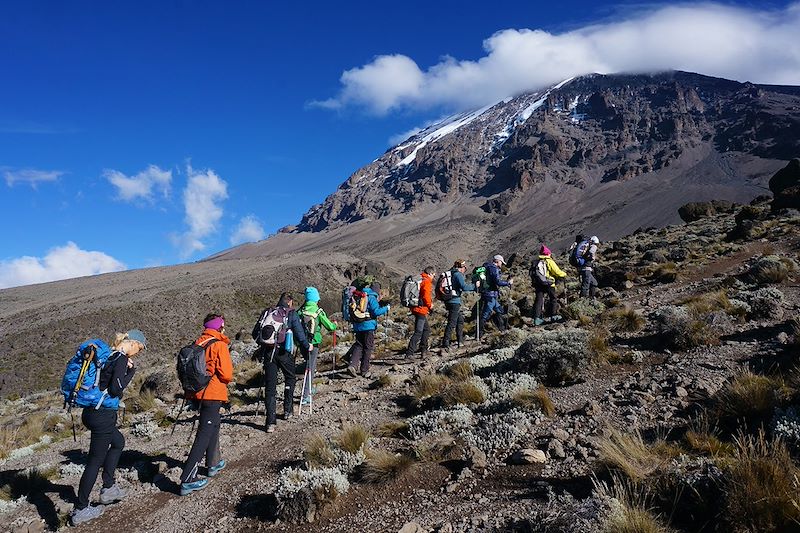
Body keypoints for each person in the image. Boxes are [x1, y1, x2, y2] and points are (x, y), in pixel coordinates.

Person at [70, 329, 146, 526]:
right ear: (134, 343)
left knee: (118, 442)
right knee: (95, 461)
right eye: (140, 348)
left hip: (92, 412)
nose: (138, 352)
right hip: (102, 414)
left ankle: (109, 487)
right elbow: (116, 388)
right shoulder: (120, 358)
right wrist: (131, 371)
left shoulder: (110, 355)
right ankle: (81, 508)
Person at [180, 314, 233, 496]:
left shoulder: (198, 342)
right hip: (212, 393)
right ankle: (188, 478)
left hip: (196, 393)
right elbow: (226, 375)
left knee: (214, 423)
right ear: (220, 327)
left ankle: (213, 463)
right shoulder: (219, 344)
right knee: (204, 433)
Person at [259, 293, 309, 433]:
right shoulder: (291, 314)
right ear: (290, 302)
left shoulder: (268, 312)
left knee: (270, 387)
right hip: (284, 352)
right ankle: (288, 410)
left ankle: (270, 422)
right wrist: (307, 346)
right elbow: (299, 334)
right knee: (290, 378)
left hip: (268, 353)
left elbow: (255, 333)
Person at [300, 286, 337, 406]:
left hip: (302, 343)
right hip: (314, 342)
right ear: (316, 298)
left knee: (307, 365)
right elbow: (330, 327)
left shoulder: (300, 311)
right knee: (310, 368)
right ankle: (306, 396)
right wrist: (335, 325)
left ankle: (308, 390)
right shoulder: (318, 311)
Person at [348, 281, 389, 378]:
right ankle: (364, 370)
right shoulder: (372, 297)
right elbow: (376, 312)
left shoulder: (360, 295)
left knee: (358, 345)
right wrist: (386, 308)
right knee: (368, 347)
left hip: (358, 325)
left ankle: (352, 365)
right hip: (368, 326)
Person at [441, 259, 476, 351]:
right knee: (452, 322)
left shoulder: (451, 273)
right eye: (464, 267)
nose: (465, 269)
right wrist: (475, 286)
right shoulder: (457, 275)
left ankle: (460, 340)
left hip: (449, 300)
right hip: (454, 301)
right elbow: (464, 287)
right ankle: (445, 343)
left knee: (459, 320)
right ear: (461, 267)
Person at [531, 245, 568, 325]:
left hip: (538, 283)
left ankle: (537, 318)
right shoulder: (548, 261)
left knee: (539, 300)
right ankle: (553, 316)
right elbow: (557, 272)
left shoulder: (537, 262)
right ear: (548, 254)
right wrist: (564, 274)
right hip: (549, 283)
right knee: (553, 299)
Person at [479, 255, 513, 337]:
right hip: (490, 294)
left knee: (499, 310)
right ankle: (479, 333)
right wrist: (508, 283)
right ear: (497, 261)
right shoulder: (494, 269)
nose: (502, 264)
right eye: (501, 262)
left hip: (487, 293)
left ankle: (502, 329)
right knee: (486, 313)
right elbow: (498, 282)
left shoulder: (486, 267)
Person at [406, 267, 435, 359]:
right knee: (419, 332)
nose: (434, 277)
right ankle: (410, 353)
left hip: (415, 308)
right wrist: (430, 305)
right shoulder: (426, 281)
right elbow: (426, 295)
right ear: (430, 273)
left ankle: (424, 350)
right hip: (421, 309)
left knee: (426, 330)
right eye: (434, 275)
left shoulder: (419, 279)